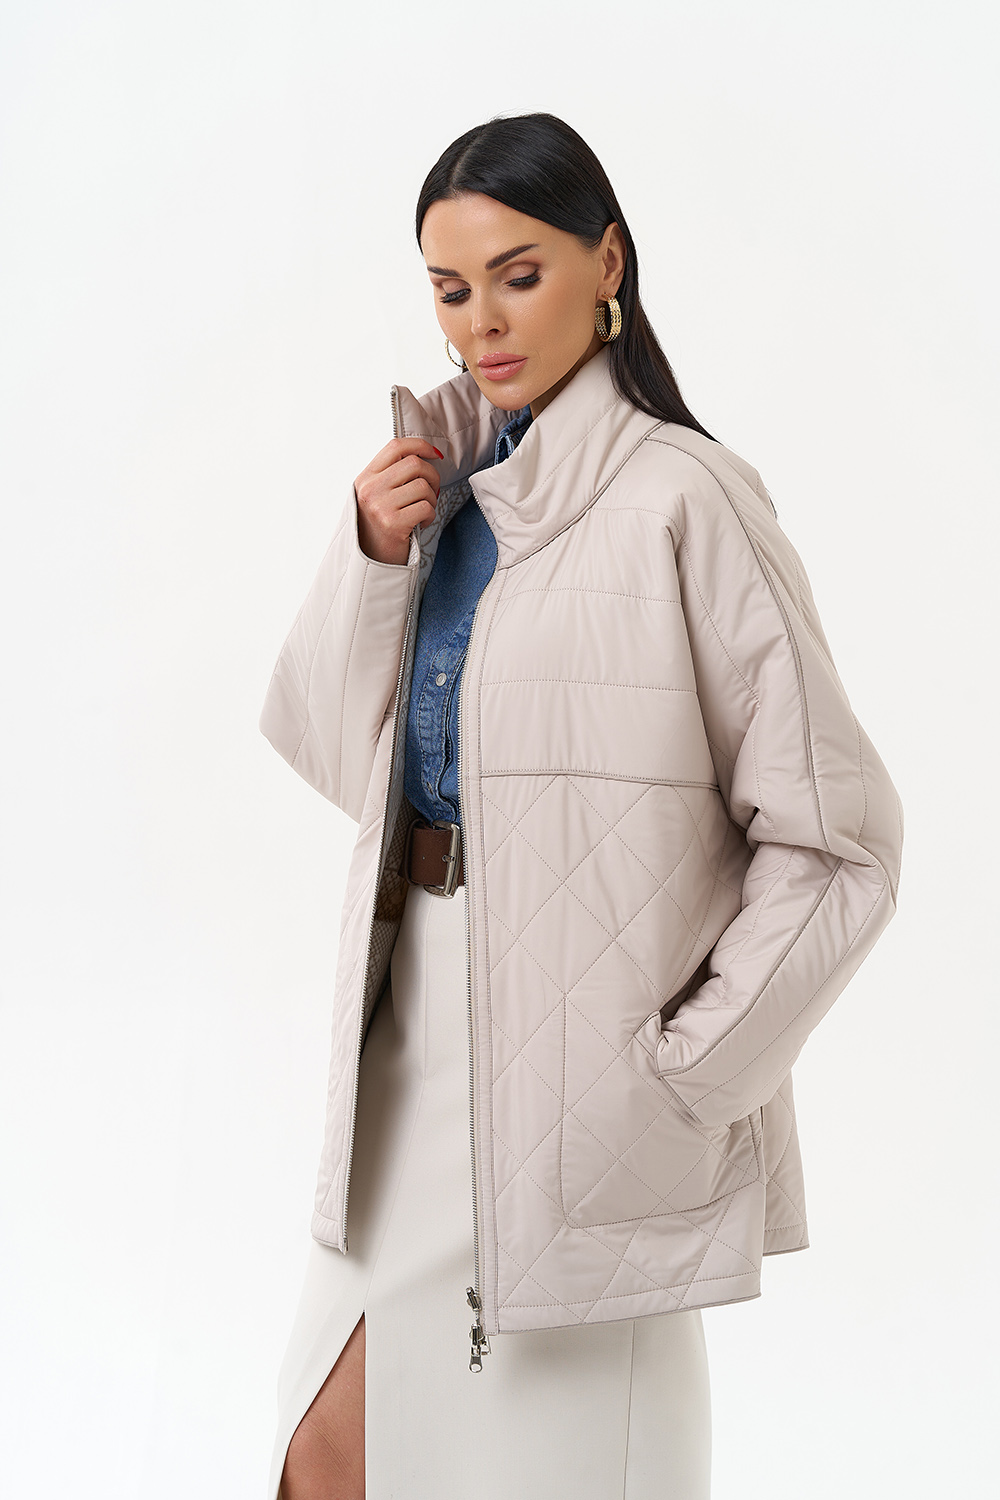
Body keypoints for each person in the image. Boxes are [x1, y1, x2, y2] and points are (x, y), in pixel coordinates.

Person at [259, 111, 904, 1500]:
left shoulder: (688, 498)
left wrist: (682, 1081)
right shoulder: (444, 496)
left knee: (532, 1469)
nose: (480, 322)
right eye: (450, 289)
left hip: (584, 1078)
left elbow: (843, 843)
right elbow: (328, 752)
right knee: (324, 1460)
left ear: (606, 263)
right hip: (408, 1035)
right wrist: (372, 551)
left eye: (519, 274)